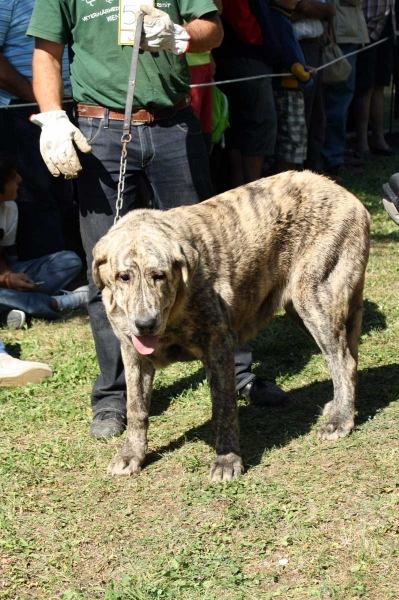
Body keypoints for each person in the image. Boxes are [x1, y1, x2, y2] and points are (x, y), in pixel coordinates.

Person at [27, 0, 287, 439]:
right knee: (108, 272)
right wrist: (52, 117)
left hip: (174, 126)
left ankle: (236, 372)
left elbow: (214, 29)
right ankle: (113, 398)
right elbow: (46, 52)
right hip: (100, 132)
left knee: (208, 261)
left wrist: (181, 35)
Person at [0, 0, 75, 260]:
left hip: (69, 104)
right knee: (35, 193)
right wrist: (43, 99)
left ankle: (70, 267)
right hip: (22, 107)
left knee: (66, 188)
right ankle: (47, 272)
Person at [0, 153, 89, 325]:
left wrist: (10, 276)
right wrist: (5, 281)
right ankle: (56, 303)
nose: (19, 179)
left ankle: (11, 310)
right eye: (12, 177)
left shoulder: (9, 209)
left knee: (69, 261)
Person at [213, 0, 280, 187]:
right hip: (245, 56)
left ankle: (243, 189)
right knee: (260, 122)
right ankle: (252, 190)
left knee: (240, 125)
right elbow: (239, 16)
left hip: (241, 54)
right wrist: (262, 42)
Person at [320, 0, 369, 178]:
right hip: (341, 32)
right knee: (337, 101)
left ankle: (335, 155)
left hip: (346, 30)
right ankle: (332, 158)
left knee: (340, 101)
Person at [292, 0, 335, 173]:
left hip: (317, 45)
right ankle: (300, 172)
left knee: (318, 116)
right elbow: (302, 7)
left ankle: (314, 170)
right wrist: (313, 9)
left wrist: (314, 9)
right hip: (299, 46)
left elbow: (331, 10)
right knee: (303, 114)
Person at [352, 0, 396, 158]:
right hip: (366, 25)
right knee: (366, 87)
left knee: (380, 85)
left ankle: (379, 139)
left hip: (388, 23)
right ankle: (362, 143)